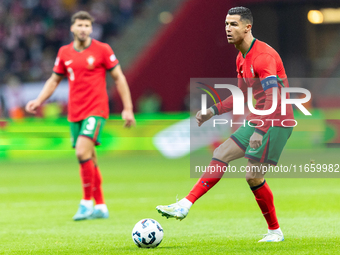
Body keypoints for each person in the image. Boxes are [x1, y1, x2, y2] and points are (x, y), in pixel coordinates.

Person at [156, 6, 295, 242]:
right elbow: (241, 95)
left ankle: (275, 231)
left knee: (252, 175)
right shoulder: (241, 57)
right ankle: (185, 204)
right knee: (222, 153)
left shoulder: (263, 57)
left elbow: (274, 98)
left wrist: (260, 131)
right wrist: (212, 111)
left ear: (247, 27)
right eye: (226, 24)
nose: (228, 29)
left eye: (233, 24)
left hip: (277, 120)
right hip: (261, 116)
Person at [26, 11, 136, 221]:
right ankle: (101, 206)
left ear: (91, 29)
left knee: (81, 152)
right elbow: (54, 80)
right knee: (89, 158)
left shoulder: (103, 50)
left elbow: (119, 78)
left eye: (87, 25)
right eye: (80, 25)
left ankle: (86, 203)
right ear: (72, 28)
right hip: (75, 111)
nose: (83, 29)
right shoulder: (64, 52)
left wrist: (127, 108)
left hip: (96, 109)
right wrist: (39, 100)